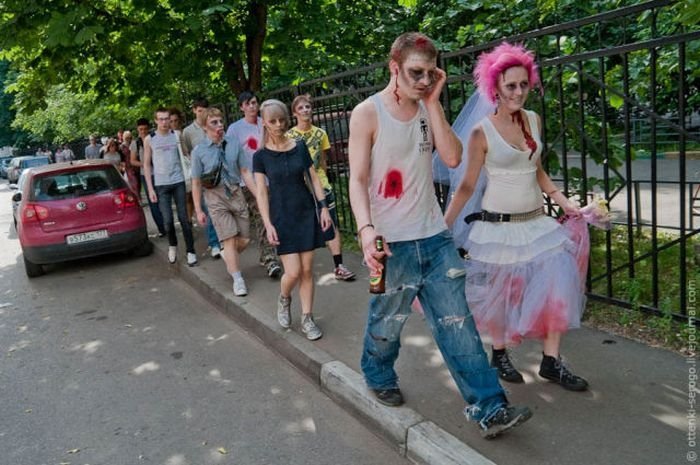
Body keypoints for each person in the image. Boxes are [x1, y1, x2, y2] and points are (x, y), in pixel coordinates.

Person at [348, 32, 532, 439]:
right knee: (389, 321)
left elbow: (451, 157)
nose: (423, 81)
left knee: (458, 325)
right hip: (391, 242)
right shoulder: (368, 112)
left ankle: (489, 406)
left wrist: (432, 105)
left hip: (434, 238)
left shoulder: (426, 107)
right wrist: (365, 230)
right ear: (393, 68)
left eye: (430, 74)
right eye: (415, 73)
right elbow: (358, 179)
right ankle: (376, 371)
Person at [443, 42, 588, 392]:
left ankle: (551, 362)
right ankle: (500, 353)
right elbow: (465, 187)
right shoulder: (482, 132)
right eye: (511, 85)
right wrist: (443, 226)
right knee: (500, 296)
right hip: (498, 228)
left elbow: (536, 169)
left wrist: (563, 201)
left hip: (538, 224)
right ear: (495, 87)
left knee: (557, 290)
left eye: (524, 84)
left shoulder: (534, 120)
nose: (519, 92)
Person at [253, 99, 331, 341]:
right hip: (281, 216)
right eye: (272, 121)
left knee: (307, 269)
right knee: (293, 272)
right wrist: (267, 223)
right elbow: (262, 192)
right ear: (264, 123)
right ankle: (284, 298)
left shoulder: (299, 146)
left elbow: (313, 178)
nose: (278, 125)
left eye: (281, 120)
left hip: (305, 211)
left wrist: (324, 208)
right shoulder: (261, 156)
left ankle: (307, 318)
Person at [287, 94, 356, 281]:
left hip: (320, 183)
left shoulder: (320, 133)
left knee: (330, 223)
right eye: (301, 108)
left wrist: (322, 178)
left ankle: (339, 265)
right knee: (303, 224)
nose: (305, 111)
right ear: (294, 113)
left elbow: (323, 161)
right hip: (299, 186)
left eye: (308, 107)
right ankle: (300, 265)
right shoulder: (290, 136)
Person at [191, 108, 255, 296]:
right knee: (229, 238)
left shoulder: (234, 143)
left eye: (220, 121)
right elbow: (195, 182)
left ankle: (228, 255)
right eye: (214, 123)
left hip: (235, 192)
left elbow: (244, 171)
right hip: (214, 196)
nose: (220, 126)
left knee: (243, 239)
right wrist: (198, 210)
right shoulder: (199, 152)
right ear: (204, 127)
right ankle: (238, 279)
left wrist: (258, 194)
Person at [227, 91, 283, 279]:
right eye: (248, 103)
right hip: (248, 181)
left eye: (254, 102)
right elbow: (230, 156)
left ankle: (270, 253)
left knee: (273, 216)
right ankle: (270, 260)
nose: (252, 106)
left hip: (271, 178)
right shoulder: (235, 129)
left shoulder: (265, 122)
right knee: (261, 216)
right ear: (242, 107)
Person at [144, 107, 197, 266]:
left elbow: (186, 155)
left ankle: (191, 251)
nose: (165, 122)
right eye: (161, 119)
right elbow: (147, 165)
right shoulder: (150, 139)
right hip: (161, 184)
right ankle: (172, 245)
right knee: (167, 220)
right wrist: (151, 188)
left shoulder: (177, 135)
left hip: (178, 181)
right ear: (155, 121)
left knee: (184, 218)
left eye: (167, 119)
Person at [182, 97, 222, 260]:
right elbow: (188, 152)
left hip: (220, 175)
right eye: (199, 111)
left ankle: (226, 239)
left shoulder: (215, 125)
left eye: (205, 110)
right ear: (194, 110)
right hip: (204, 178)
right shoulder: (188, 132)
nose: (202, 114)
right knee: (209, 211)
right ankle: (214, 243)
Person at [131, 117, 166, 237]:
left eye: (145, 129)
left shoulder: (155, 139)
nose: (143, 131)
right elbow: (132, 161)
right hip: (146, 175)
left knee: (164, 199)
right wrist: (146, 163)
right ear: (137, 129)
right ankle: (162, 228)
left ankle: (168, 224)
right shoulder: (135, 143)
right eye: (141, 129)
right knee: (153, 202)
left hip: (160, 173)